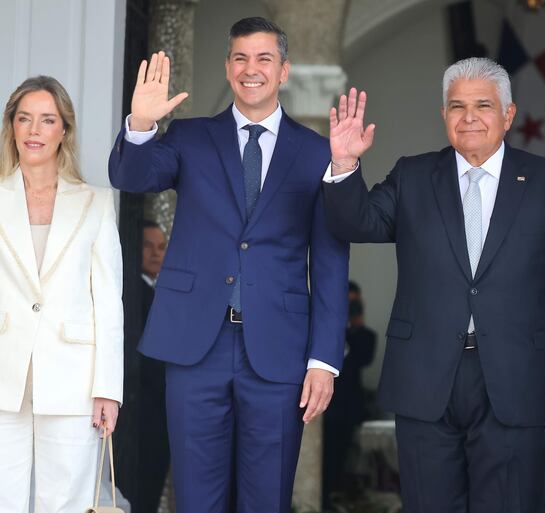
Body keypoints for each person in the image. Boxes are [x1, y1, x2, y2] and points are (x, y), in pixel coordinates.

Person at [322, 57, 545, 513]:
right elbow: (356, 222)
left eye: (483, 105)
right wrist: (345, 163)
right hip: (425, 376)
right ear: (443, 114)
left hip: (519, 378)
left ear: (508, 114)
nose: (469, 117)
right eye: (457, 106)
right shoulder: (412, 175)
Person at [108, 16, 349, 513]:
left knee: (266, 499)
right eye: (240, 58)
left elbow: (329, 262)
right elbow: (132, 177)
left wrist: (323, 360)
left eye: (264, 58)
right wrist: (141, 125)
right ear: (227, 67)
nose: (250, 69)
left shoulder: (317, 152)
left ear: (284, 70)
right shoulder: (190, 137)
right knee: (196, 498)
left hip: (279, 350)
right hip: (196, 344)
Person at [0, 76, 123, 512]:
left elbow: (109, 303)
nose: (34, 130)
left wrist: (108, 388)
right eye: (25, 119)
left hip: (74, 380)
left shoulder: (96, 203)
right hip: (3, 374)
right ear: (12, 127)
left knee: (67, 504)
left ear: (64, 130)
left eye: (47, 120)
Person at [114, 219, 170, 513]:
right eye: (148, 246)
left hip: (155, 411)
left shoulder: (158, 292)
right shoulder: (133, 292)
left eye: (161, 247)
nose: (156, 253)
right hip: (139, 410)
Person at [322, 280, 376, 509]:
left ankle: (341, 495)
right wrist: (337, 322)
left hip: (350, 406)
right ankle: (325, 498)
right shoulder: (326, 331)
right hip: (325, 406)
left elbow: (363, 358)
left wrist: (354, 325)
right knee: (326, 455)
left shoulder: (365, 335)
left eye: (354, 304)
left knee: (346, 455)